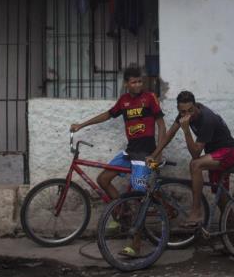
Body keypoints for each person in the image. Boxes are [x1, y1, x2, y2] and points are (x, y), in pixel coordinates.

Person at [70, 66, 164, 210]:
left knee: (139, 192)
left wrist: (158, 153)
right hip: (130, 152)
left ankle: (143, 225)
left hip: (146, 155)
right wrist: (81, 125)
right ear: (126, 84)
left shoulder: (150, 98)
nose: (138, 85)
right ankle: (123, 212)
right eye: (134, 82)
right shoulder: (123, 100)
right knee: (103, 179)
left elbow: (162, 127)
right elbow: (108, 115)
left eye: (140, 81)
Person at [149, 90, 234, 229]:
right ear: (179, 110)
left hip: (228, 152)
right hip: (214, 154)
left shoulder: (207, 119)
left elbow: (196, 154)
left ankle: (196, 212)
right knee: (219, 193)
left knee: (195, 164)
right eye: (183, 112)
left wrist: (186, 131)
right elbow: (169, 134)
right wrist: (154, 155)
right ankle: (230, 232)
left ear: (195, 105)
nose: (187, 115)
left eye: (190, 110)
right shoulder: (184, 114)